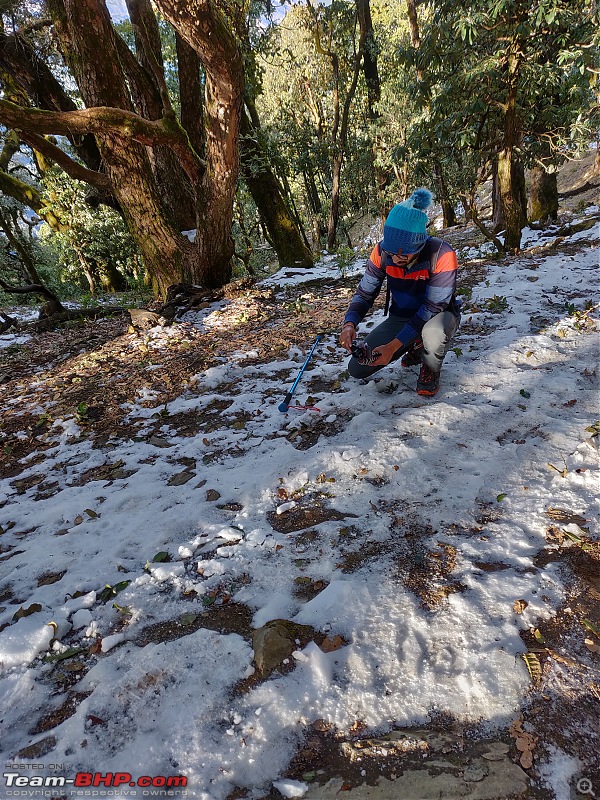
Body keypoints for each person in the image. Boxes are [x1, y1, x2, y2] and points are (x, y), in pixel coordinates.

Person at [339, 188, 461, 397]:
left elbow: (432, 308)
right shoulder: (381, 253)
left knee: (433, 331)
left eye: (404, 255)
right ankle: (414, 345)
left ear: (420, 243)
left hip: (439, 317)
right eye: (392, 253)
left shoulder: (442, 255)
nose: (396, 259)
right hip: (401, 317)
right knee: (358, 368)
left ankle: (429, 366)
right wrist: (349, 323)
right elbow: (365, 292)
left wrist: (394, 345)